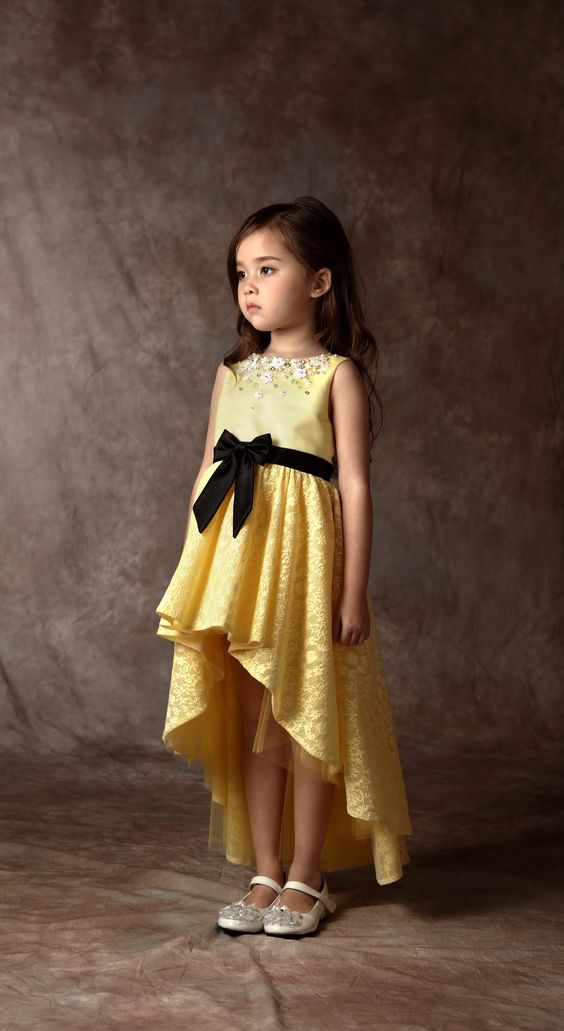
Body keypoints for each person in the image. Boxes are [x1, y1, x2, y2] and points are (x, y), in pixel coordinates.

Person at [155, 195, 413, 937]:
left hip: (304, 571)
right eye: (242, 272)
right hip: (238, 571)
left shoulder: (337, 374)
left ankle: (308, 874)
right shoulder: (232, 371)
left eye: (268, 269)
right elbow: (208, 470)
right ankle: (265, 870)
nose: (250, 286)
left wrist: (353, 591)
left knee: (303, 716)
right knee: (249, 717)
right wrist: (195, 573)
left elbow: (354, 486)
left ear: (320, 281)